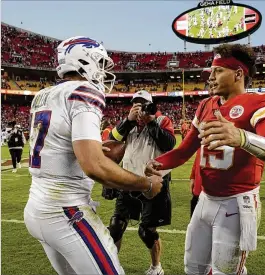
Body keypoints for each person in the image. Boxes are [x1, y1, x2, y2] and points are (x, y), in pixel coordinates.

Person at [24, 36, 163, 275]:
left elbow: (68, 147)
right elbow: (94, 166)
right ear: (83, 60)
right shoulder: (83, 91)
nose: (103, 70)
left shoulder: (43, 95)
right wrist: (146, 183)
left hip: (36, 206)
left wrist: (97, 148)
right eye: (99, 62)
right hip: (66, 211)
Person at [146, 44, 265, 275]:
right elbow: (184, 150)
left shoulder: (260, 102)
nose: (210, 78)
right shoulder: (206, 105)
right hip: (205, 200)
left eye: (217, 71)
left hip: (237, 202)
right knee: (193, 267)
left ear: (238, 74)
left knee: (226, 271)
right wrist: (158, 163)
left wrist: (241, 137)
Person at [106, 90, 176, 275]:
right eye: (135, 104)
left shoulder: (162, 120)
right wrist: (128, 121)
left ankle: (156, 267)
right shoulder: (127, 123)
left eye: (143, 104)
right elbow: (111, 142)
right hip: (127, 180)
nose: (139, 107)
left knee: (147, 231)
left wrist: (150, 121)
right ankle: (112, 266)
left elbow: (169, 144)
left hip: (153, 183)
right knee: (116, 226)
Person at [189, 148, 202, 217]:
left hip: (220, 196)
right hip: (198, 191)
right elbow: (198, 157)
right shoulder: (203, 138)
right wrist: (193, 177)